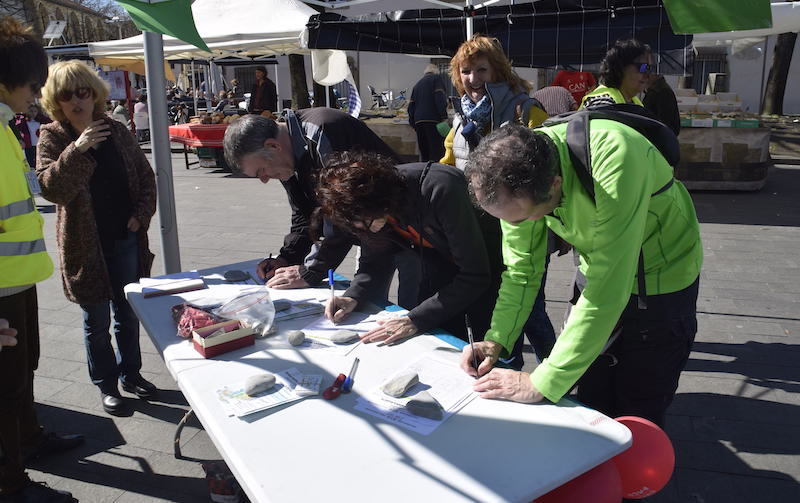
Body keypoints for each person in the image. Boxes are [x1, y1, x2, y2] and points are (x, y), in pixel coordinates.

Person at [462, 123, 703, 427]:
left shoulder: (616, 157)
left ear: (555, 184)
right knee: (592, 394)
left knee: (641, 402)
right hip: (599, 270)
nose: (517, 227)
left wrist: (541, 382)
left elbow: (607, 289)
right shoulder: (513, 177)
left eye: (524, 219)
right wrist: (496, 339)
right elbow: (522, 270)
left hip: (663, 279)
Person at [37, 60, 158, 417]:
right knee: (96, 321)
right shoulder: (53, 136)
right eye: (66, 95)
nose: (76, 101)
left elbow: (146, 178)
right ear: (55, 101)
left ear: (95, 94)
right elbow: (51, 189)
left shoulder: (116, 130)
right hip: (85, 246)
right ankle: (107, 385)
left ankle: (131, 374)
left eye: (83, 92)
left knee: (128, 313)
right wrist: (78, 149)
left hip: (124, 238)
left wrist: (141, 214)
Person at [0, 17, 82, 503]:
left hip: (17, 279)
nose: (36, 95)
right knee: (5, 387)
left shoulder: (5, 128)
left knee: (22, 372)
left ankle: (28, 439)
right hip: (1, 288)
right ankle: (11, 484)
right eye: (33, 85)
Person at [441, 34, 554, 367]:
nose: (472, 79)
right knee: (499, 301)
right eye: (465, 71)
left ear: (498, 71)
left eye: (481, 70)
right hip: (479, 230)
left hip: (524, 224)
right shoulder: (461, 115)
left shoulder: (525, 110)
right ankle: (507, 361)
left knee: (529, 304)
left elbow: (547, 166)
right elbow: (449, 162)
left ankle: (552, 368)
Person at [320, 151, 492, 343]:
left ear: (377, 200)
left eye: (364, 222)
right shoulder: (371, 210)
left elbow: (475, 274)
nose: (362, 227)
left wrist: (417, 319)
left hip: (492, 280)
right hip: (444, 278)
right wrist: (353, 296)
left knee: (477, 346)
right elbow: (374, 260)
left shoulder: (440, 189)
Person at [223, 109, 398, 289]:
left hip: (404, 222)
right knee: (364, 295)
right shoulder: (285, 158)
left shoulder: (322, 132)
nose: (264, 179)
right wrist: (288, 257)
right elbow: (304, 213)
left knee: (408, 300)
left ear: (273, 146)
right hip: (370, 230)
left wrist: (311, 271)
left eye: (261, 171)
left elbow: (342, 212)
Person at [581, 38, 652, 109]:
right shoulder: (601, 103)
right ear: (620, 67)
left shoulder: (635, 102)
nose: (647, 75)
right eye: (643, 67)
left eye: (649, 68)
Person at [407, 64, 448, 162]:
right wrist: (443, 116)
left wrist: (413, 123)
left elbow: (411, 106)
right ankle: (436, 170)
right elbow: (439, 98)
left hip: (419, 122)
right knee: (436, 151)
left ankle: (424, 170)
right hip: (433, 120)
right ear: (436, 72)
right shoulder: (436, 79)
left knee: (424, 152)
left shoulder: (417, 85)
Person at [14, 102, 51, 168]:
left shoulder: (41, 120)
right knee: (30, 163)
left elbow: (50, 121)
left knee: (40, 162)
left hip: (40, 145)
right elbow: (18, 126)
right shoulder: (24, 121)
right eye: (31, 111)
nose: (33, 113)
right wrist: (23, 116)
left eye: (35, 111)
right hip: (29, 146)